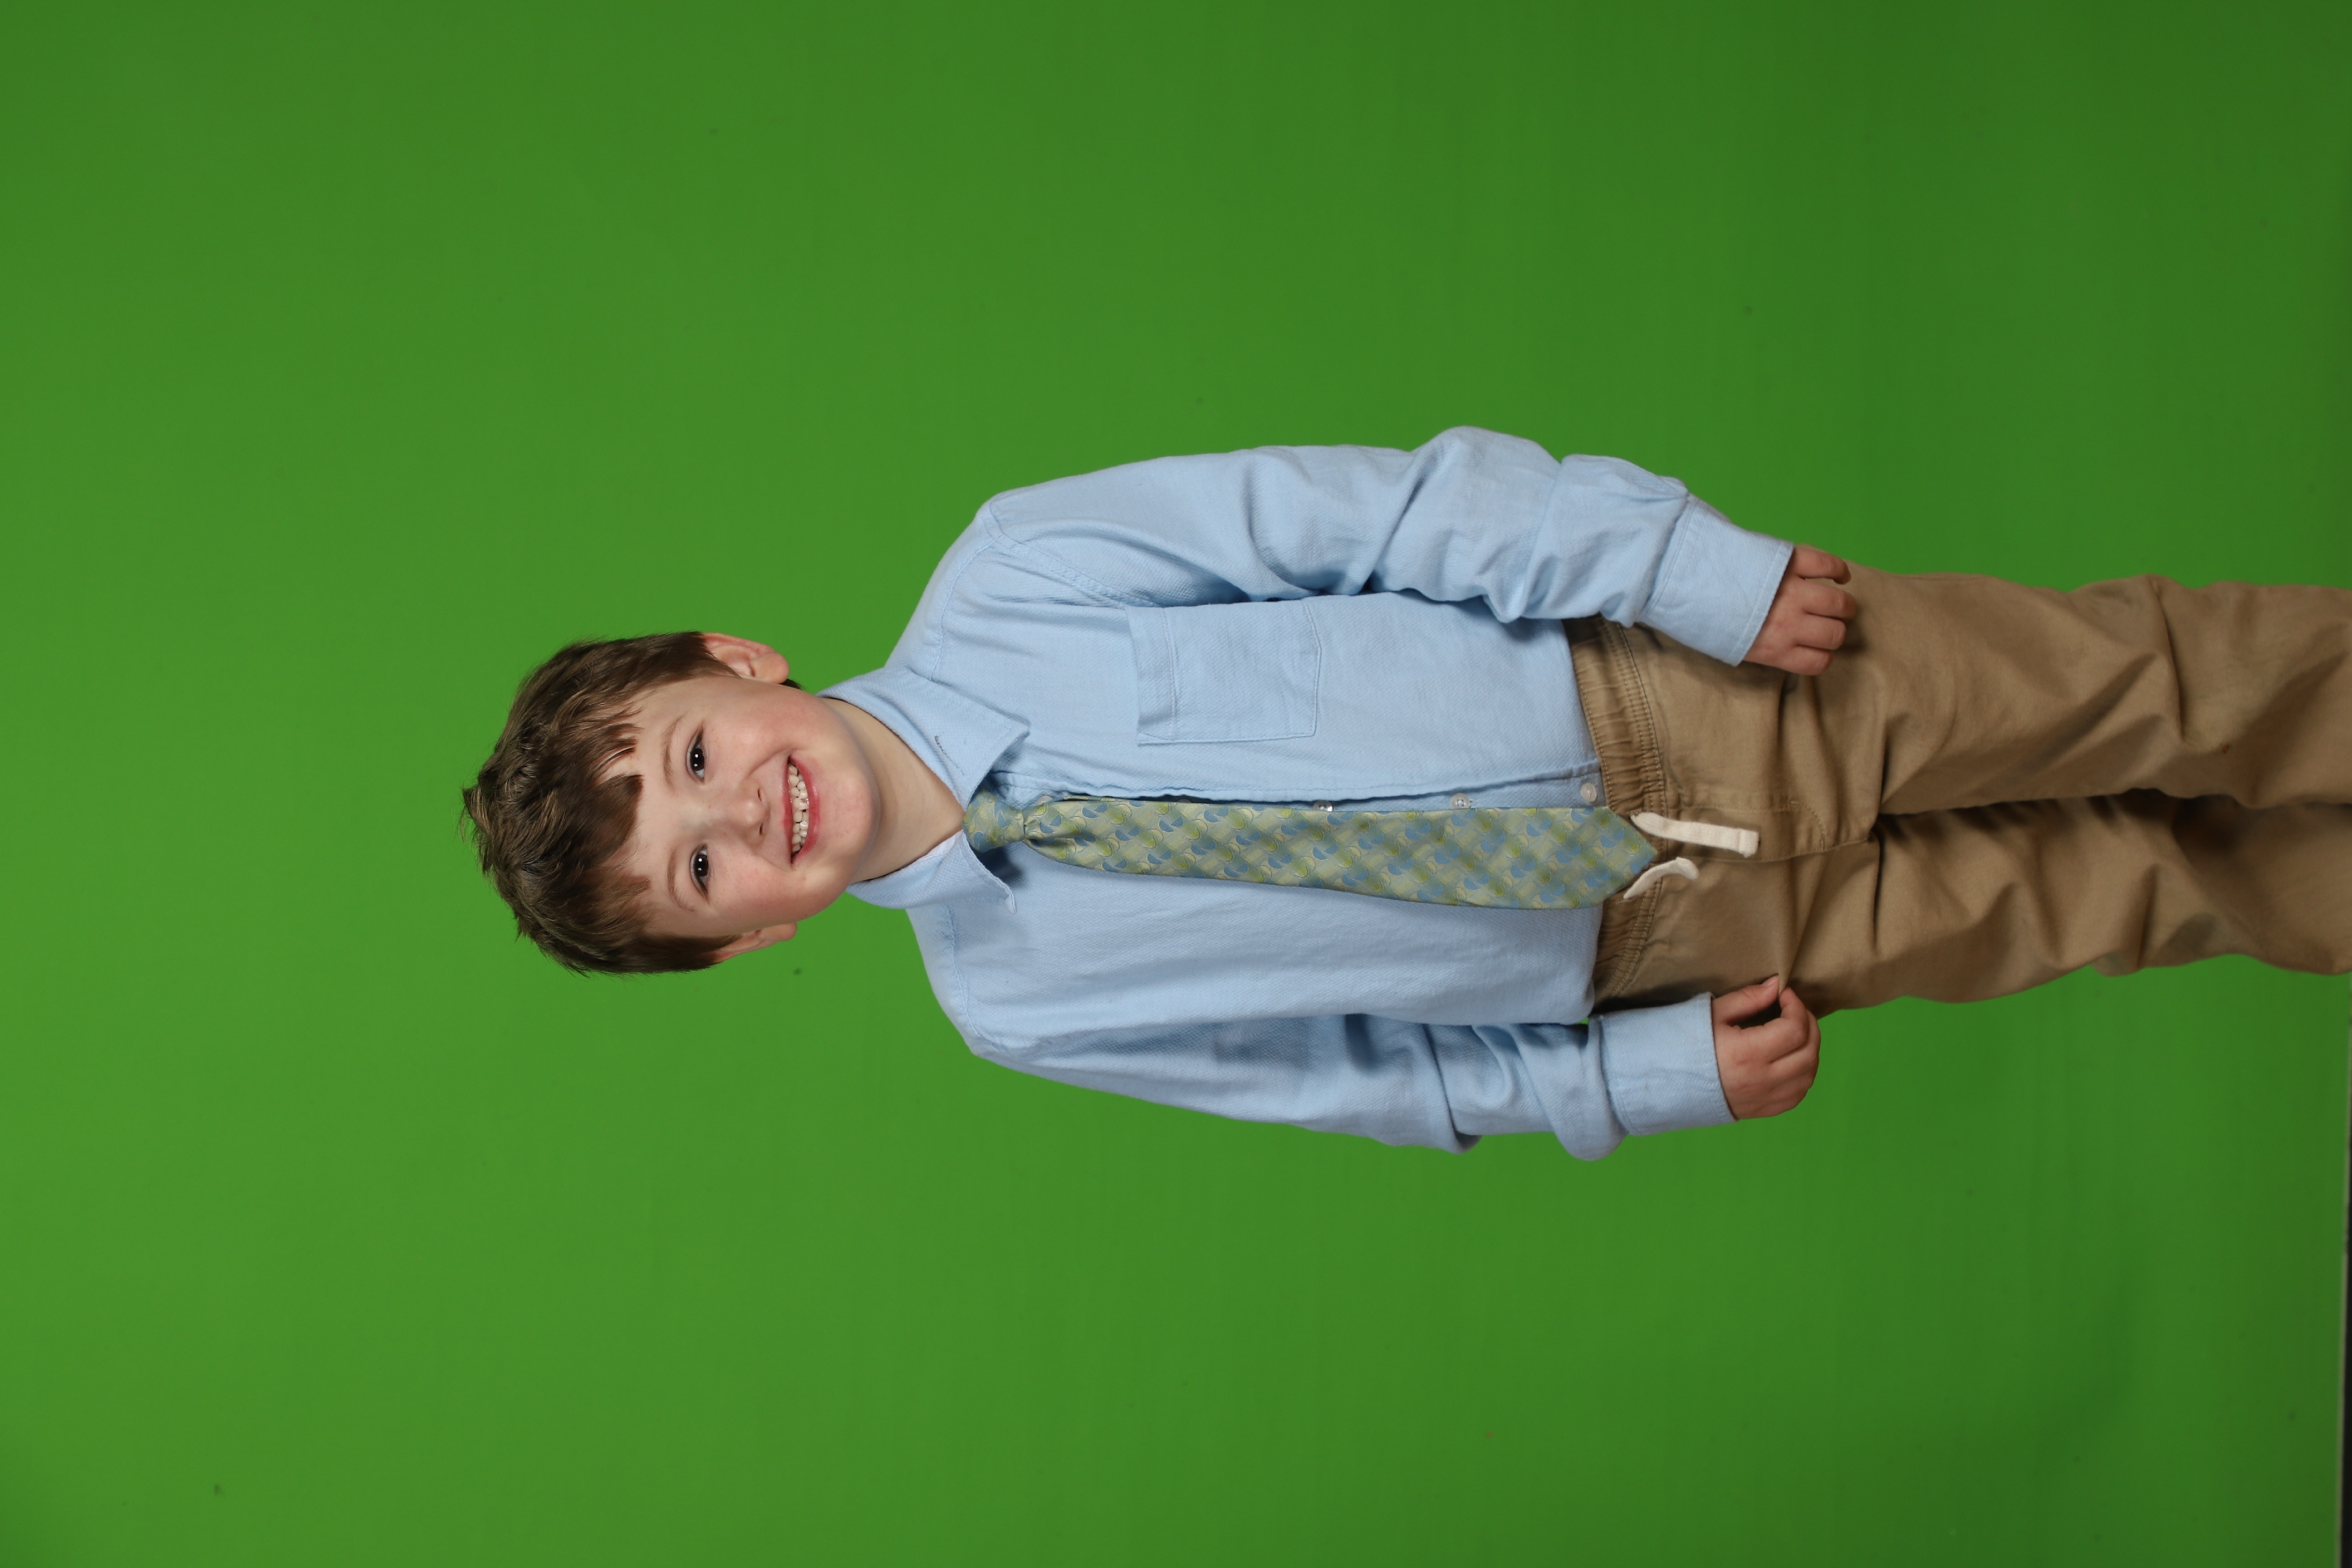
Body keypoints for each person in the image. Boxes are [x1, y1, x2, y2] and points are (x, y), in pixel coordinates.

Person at [460, 429, 2352, 1159]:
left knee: (2144, 688)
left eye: (691, 760)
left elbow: (1382, 514)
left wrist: (1679, 568)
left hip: (1683, 694)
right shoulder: (1014, 1010)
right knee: (2121, 896)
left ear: (737, 662)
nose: (741, 816)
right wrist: (1625, 1083)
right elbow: (1350, 1077)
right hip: (1656, 947)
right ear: (749, 938)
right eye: (698, 872)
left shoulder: (1019, 568)